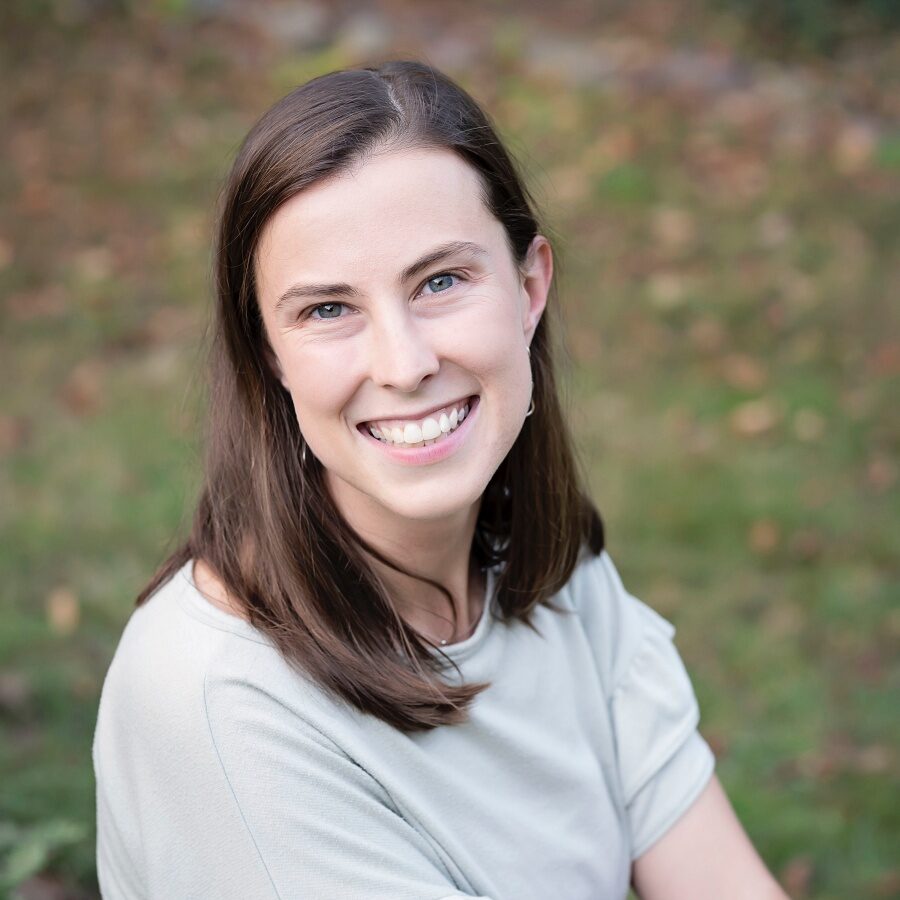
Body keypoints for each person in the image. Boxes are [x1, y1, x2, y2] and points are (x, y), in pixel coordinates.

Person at [92, 60, 790, 899]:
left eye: (441, 282)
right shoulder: (222, 699)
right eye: (327, 309)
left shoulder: (557, 576)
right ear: (270, 355)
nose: (404, 363)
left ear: (530, 286)